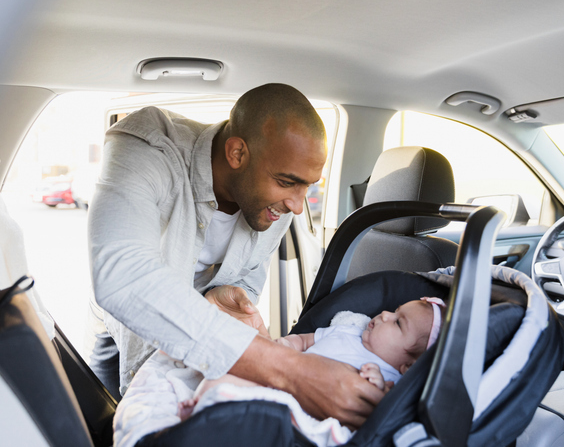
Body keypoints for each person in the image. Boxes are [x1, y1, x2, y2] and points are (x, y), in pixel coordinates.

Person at [88, 83, 384, 428]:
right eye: (288, 182)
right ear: (237, 153)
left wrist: (225, 296)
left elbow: (249, 277)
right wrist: (292, 371)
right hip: (124, 324)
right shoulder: (149, 147)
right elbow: (122, 275)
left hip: (201, 344)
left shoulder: (280, 204)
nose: (297, 206)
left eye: (308, 186)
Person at [177, 297, 446, 419]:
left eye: (398, 323)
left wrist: (378, 386)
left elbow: (379, 409)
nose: (386, 314)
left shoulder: (390, 377)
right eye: (395, 310)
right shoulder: (350, 329)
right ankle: (202, 402)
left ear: (408, 365)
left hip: (309, 409)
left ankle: (212, 413)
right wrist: (283, 345)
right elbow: (305, 340)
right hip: (277, 377)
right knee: (225, 373)